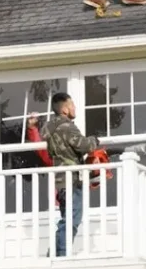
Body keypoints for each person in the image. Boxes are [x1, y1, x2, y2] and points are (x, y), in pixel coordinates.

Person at [36, 93, 99, 257]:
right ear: (64, 109)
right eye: (72, 105)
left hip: (60, 181)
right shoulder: (67, 126)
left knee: (67, 217)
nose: (74, 108)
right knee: (73, 219)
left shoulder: (50, 129)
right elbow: (84, 146)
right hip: (72, 179)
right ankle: (61, 253)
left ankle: (55, 251)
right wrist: (95, 140)